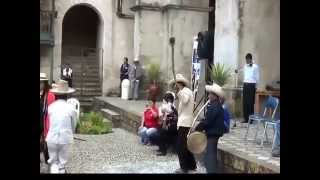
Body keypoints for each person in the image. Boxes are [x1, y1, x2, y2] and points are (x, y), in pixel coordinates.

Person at [46, 80, 77, 173]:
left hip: (51, 137)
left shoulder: (50, 107)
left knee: (54, 163)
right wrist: (71, 132)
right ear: (67, 95)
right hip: (65, 138)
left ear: (55, 95)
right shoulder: (71, 108)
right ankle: (62, 169)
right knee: (62, 164)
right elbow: (73, 124)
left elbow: (50, 122)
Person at [169, 74, 197, 174]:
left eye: (175, 85)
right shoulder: (183, 92)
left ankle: (184, 167)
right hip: (183, 121)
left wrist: (179, 92)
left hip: (185, 123)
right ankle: (192, 165)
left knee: (181, 146)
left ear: (178, 84)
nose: (174, 88)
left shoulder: (186, 92)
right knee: (185, 145)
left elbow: (185, 100)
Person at [195, 83, 225, 173]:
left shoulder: (214, 106)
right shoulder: (214, 105)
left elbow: (208, 121)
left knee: (211, 154)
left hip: (213, 133)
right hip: (213, 132)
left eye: (210, 94)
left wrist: (198, 127)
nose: (208, 96)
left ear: (215, 96)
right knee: (210, 153)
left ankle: (212, 170)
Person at [151, 92, 178, 156]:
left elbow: (168, 118)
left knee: (161, 133)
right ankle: (162, 148)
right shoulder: (170, 106)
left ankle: (163, 150)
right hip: (170, 126)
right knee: (159, 131)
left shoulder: (170, 107)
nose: (163, 101)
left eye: (164, 99)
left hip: (171, 127)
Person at [235, 53, 260, 123]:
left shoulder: (255, 67)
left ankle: (251, 119)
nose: (246, 61)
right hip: (245, 85)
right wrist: (237, 71)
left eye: (247, 60)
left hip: (252, 85)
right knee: (245, 102)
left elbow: (257, 77)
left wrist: (256, 86)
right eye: (246, 60)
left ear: (250, 59)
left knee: (250, 102)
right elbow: (242, 69)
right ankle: (245, 118)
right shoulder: (245, 66)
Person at [40, 73, 56, 164]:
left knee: (47, 142)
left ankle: (48, 160)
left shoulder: (50, 95)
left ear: (45, 83)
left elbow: (52, 111)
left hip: (46, 120)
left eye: (41, 82)